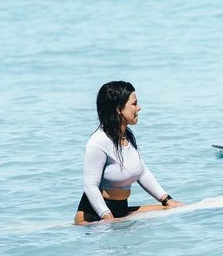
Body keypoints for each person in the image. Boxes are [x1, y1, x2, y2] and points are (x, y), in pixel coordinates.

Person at [74, 81, 184, 224]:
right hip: (93, 216)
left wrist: (167, 200)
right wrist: (107, 217)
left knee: (174, 209)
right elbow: (90, 186)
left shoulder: (127, 136)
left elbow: (142, 173)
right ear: (119, 109)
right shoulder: (98, 142)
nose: (139, 108)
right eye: (134, 104)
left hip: (120, 210)